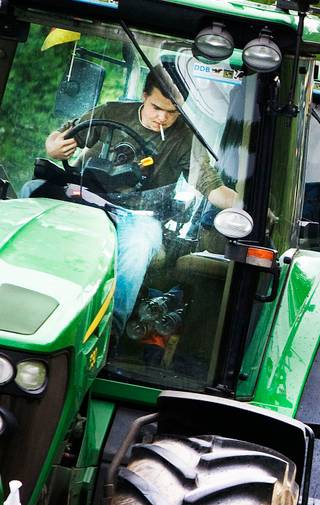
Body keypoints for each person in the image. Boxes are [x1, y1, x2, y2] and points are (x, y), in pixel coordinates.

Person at [36, 69, 237, 328]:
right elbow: (61, 138)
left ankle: (110, 327)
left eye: (173, 111)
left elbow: (213, 188)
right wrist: (52, 146)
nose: (163, 118)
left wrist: (246, 207)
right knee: (35, 194)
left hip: (139, 217)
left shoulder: (185, 140)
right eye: (156, 107)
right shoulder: (112, 113)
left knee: (138, 246)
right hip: (85, 199)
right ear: (144, 96)